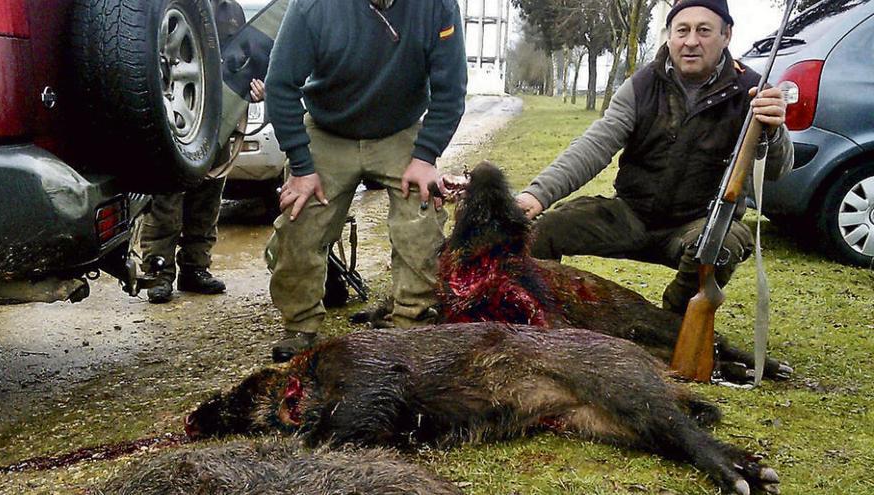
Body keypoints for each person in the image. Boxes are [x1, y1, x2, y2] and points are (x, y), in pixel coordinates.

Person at [515, 0, 794, 315]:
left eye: (704, 31)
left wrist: (773, 131)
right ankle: (538, 311)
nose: (690, 41)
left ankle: (673, 321)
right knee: (544, 230)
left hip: (696, 225)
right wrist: (537, 194)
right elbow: (595, 145)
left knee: (723, 241)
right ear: (669, 35)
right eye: (682, 30)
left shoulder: (753, 92)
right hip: (630, 216)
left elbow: (779, 169)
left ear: (726, 34)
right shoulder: (641, 85)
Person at [264, 0, 467, 360]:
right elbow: (280, 85)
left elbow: (450, 90)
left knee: (421, 216)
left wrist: (425, 156)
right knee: (300, 218)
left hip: (399, 130)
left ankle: (412, 321)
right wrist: (301, 164)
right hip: (327, 129)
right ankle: (300, 324)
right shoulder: (313, 6)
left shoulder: (437, 6)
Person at [141, 0, 256, 304]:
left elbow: (242, 62)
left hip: (216, 119)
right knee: (166, 200)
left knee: (207, 198)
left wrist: (254, 87)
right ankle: (158, 272)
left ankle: (195, 267)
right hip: (174, 119)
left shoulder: (232, 11)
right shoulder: (171, 5)